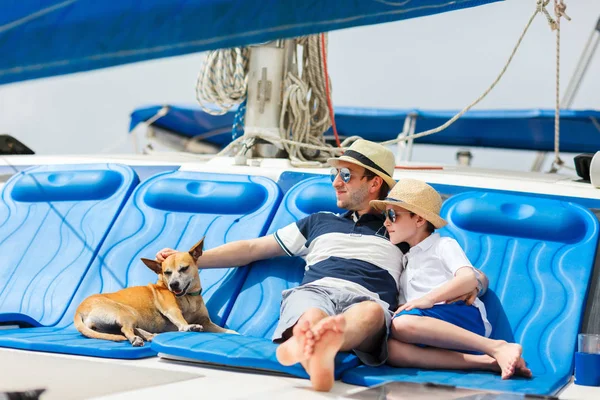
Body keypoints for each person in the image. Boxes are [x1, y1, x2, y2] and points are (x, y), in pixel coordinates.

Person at [156, 140, 486, 391]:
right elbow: (254, 248)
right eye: (334, 174)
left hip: (369, 299)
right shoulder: (318, 222)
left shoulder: (399, 228)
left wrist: (474, 286)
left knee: (370, 314)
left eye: (345, 175)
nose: (336, 182)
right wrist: (189, 261)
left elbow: (458, 266)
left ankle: (317, 342)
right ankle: (318, 340)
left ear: (373, 184)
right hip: (317, 290)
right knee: (311, 308)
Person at [369, 178, 532, 380]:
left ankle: (496, 346)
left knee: (402, 325)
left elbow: (468, 278)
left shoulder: (443, 245)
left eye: (393, 215)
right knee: (391, 350)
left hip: (461, 316)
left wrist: (428, 299)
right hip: (424, 325)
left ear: (419, 220)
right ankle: (488, 362)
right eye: (385, 215)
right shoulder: (406, 259)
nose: (386, 222)